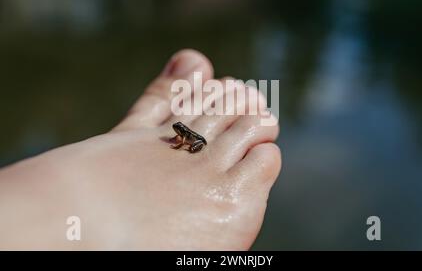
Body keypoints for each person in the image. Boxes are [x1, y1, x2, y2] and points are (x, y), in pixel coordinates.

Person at [0, 49, 281, 250]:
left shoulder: (184, 135)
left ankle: (58, 197)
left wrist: (183, 146)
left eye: (178, 131)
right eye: (177, 131)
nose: (176, 132)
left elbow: (190, 139)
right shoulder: (181, 133)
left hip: (197, 142)